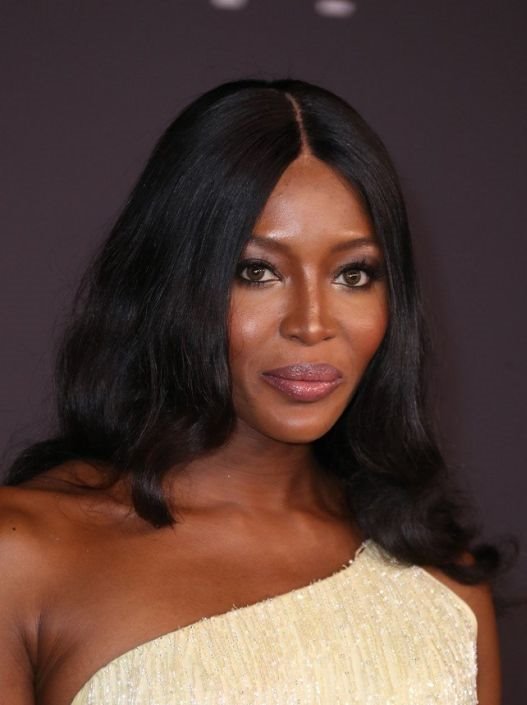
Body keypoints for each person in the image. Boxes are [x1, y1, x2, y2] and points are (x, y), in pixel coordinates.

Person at [0, 78, 503, 705]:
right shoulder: (24, 556)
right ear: (170, 282)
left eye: (353, 274)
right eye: (256, 271)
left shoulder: (443, 584)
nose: (312, 324)